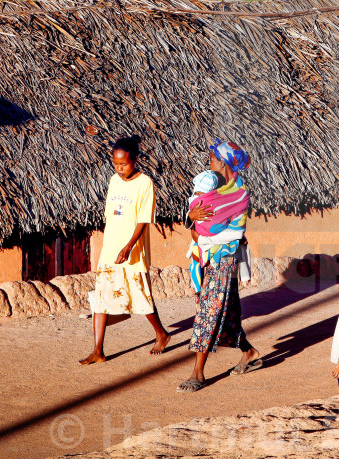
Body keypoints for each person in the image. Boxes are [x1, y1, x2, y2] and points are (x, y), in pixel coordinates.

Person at [177, 139, 261, 392]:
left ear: (222, 163)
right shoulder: (208, 188)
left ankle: (198, 372)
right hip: (203, 257)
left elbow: (234, 234)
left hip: (223, 259)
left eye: (212, 159)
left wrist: (201, 235)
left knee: (208, 310)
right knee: (228, 311)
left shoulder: (239, 193)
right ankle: (248, 352)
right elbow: (191, 214)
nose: (209, 163)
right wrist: (191, 217)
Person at [79, 136, 171, 365]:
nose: (119, 169)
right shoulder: (113, 180)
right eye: (116, 164)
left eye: (124, 164)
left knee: (140, 296)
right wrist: (110, 246)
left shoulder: (145, 184)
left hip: (132, 249)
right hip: (111, 248)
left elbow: (143, 220)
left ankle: (161, 333)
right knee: (100, 297)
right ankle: (98, 350)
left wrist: (129, 246)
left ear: (135, 160)